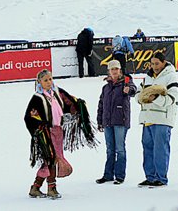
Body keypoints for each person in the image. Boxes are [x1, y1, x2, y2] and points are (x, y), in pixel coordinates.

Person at [24, 69, 97, 199]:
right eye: (45, 80)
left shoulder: (56, 92)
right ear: (39, 82)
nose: (49, 82)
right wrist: (40, 128)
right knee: (51, 158)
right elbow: (30, 117)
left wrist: (78, 105)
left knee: (51, 159)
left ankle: (35, 187)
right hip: (46, 134)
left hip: (58, 131)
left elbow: (69, 101)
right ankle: (51, 188)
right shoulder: (37, 98)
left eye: (50, 79)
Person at [135, 52, 178, 188]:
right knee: (147, 149)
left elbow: (172, 99)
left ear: (164, 62)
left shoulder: (170, 76)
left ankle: (161, 178)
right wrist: (141, 98)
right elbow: (138, 93)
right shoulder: (147, 77)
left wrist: (156, 98)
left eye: (157, 63)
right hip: (147, 119)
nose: (154, 66)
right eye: (152, 64)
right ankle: (150, 176)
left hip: (162, 119)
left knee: (160, 149)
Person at [95, 60, 137, 185]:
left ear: (120, 70)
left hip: (120, 121)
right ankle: (108, 175)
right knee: (110, 149)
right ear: (109, 71)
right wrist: (100, 121)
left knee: (120, 149)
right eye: (112, 69)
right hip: (107, 121)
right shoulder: (106, 87)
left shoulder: (126, 83)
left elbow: (133, 90)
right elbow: (101, 105)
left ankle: (120, 175)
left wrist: (128, 90)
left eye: (116, 69)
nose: (114, 71)